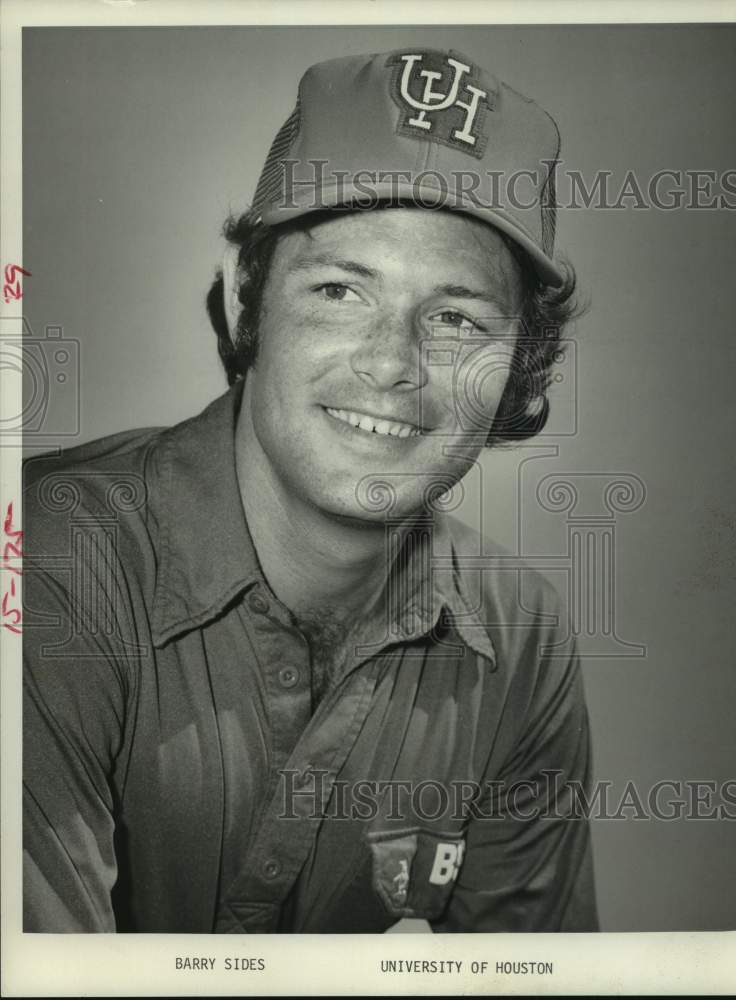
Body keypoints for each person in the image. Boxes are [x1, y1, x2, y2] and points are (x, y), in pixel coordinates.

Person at [22, 47, 598, 933]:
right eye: (337, 290)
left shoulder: (520, 633)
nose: (391, 363)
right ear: (240, 308)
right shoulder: (42, 560)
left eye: (454, 319)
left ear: (518, 367)